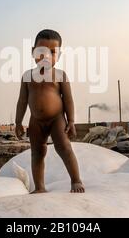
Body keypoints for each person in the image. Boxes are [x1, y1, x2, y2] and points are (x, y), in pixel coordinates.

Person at [15, 29, 85, 194]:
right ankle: (40, 187)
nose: (46, 56)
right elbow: (22, 101)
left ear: (58, 55)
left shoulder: (60, 75)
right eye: (41, 51)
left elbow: (68, 100)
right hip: (35, 121)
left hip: (57, 119)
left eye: (52, 52)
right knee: (37, 153)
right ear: (33, 52)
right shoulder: (27, 76)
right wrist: (18, 122)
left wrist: (72, 121)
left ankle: (76, 180)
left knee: (64, 148)